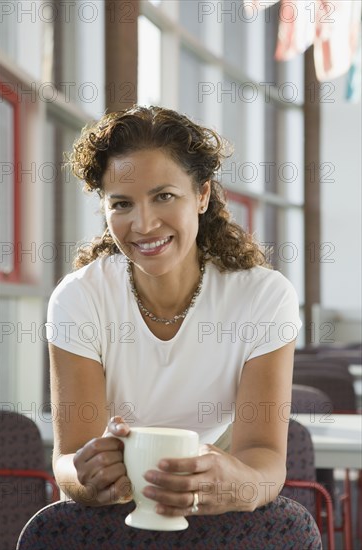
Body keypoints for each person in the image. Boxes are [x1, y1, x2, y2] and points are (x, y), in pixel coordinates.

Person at [47, 105, 302, 517]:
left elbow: (264, 456)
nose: (144, 224)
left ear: (201, 195)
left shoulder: (263, 298)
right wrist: (85, 477)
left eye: (164, 196)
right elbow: (68, 461)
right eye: (122, 204)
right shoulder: (79, 299)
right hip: (111, 507)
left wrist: (244, 487)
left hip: (214, 491)